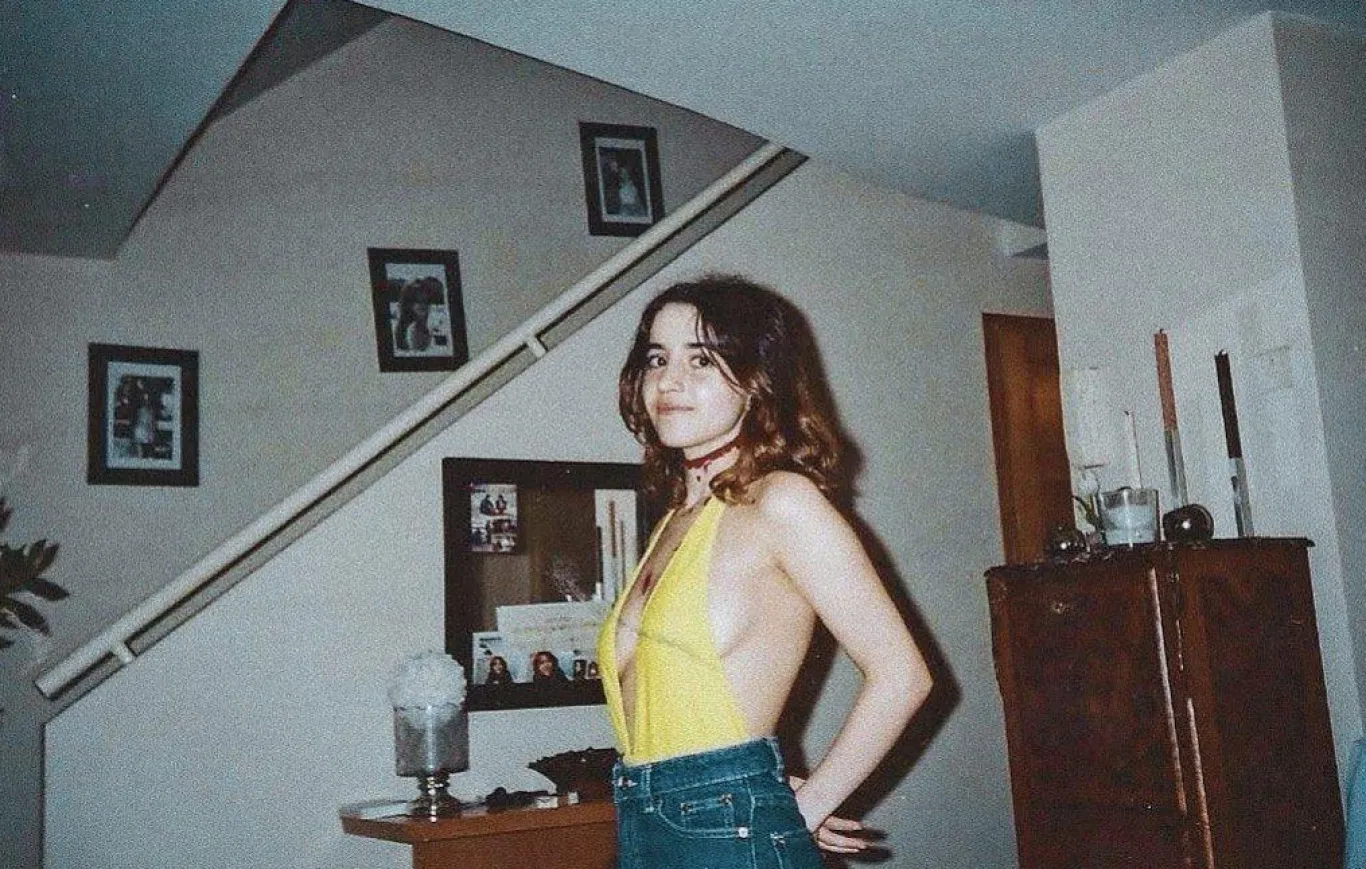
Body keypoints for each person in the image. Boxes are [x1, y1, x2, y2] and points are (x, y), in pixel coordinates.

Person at [597, 274, 932, 869]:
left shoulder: (782, 501)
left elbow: (902, 675)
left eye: (701, 359)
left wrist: (801, 806)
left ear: (757, 380)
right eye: (657, 358)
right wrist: (755, 783)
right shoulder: (677, 516)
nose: (668, 381)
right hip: (642, 818)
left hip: (726, 831)